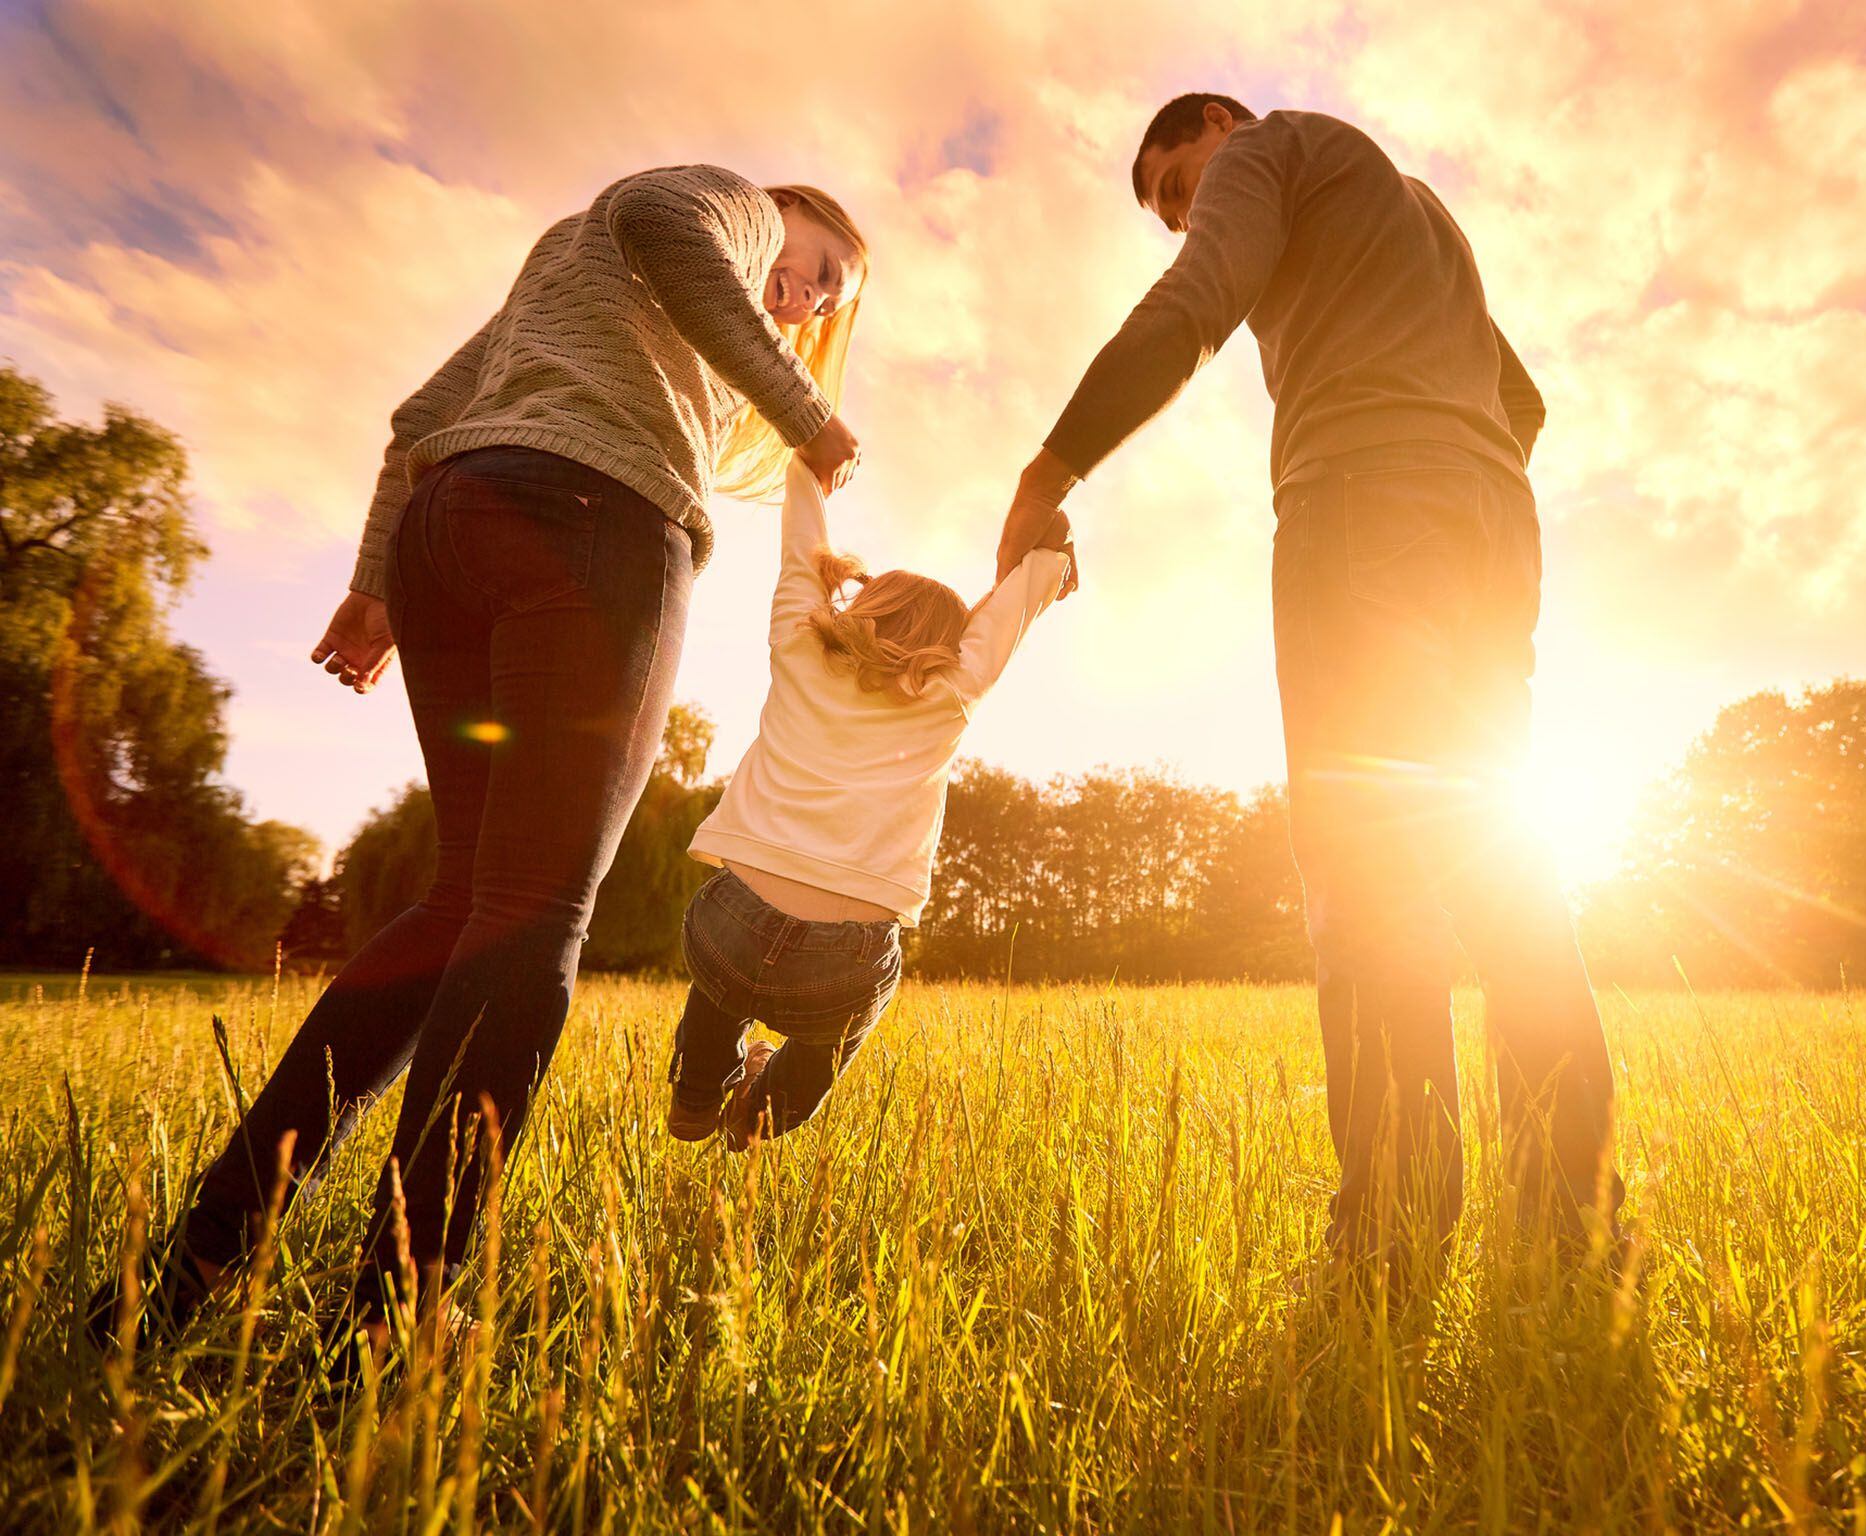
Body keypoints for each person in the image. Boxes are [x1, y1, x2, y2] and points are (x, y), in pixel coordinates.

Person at [90, 167, 869, 1357]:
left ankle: (199, 1255)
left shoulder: (574, 280)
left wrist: (372, 588)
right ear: (781, 211)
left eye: (826, 303)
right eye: (818, 267)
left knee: (462, 902)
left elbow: (417, 420)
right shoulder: (721, 202)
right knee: (535, 912)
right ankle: (399, 1309)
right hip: (595, 523)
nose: (807, 300)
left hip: (450, 532)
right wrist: (803, 409)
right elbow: (668, 223)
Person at [995, 94, 1624, 1272]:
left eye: (1184, 186)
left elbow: (1195, 306)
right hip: (1492, 525)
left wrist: (1050, 469)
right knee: (1502, 864)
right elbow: (1521, 399)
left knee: (1367, 862)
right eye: (1173, 209)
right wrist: (1448, 467)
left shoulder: (1272, 148)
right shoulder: (1414, 208)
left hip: (1364, 509)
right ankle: (1573, 1221)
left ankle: (1390, 1236)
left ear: (1220, 126)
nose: (1189, 218)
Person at [666, 457, 1070, 1147]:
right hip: (842, 964)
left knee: (722, 982)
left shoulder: (799, 644)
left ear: (864, 605)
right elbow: (1013, 609)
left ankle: (697, 1095)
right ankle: (762, 1118)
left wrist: (807, 467)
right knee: (828, 1043)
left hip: (728, 925)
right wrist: (1049, 558)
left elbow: (801, 548)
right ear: (950, 645)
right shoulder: (954, 690)